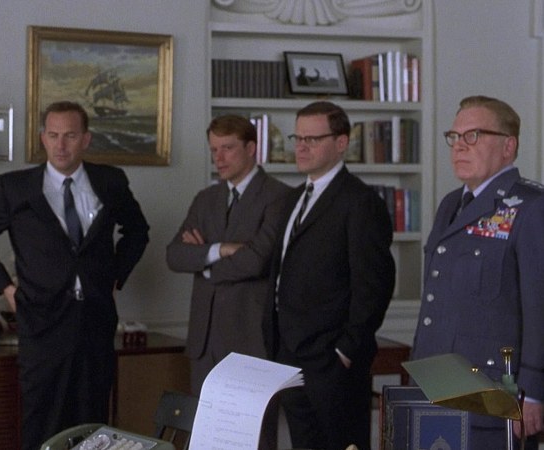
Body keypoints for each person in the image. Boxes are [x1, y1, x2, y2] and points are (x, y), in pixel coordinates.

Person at [0, 100, 150, 450]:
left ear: (86, 139)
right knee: (42, 418)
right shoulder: (15, 187)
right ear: (43, 138)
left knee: (93, 421)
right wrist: (6, 290)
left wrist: (115, 277)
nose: (61, 145)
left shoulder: (110, 181)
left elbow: (138, 231)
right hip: (41, 321)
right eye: (53, 135)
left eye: (70, 136)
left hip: (95, 320)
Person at [411, 95, 544, 449]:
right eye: (454, 137)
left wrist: (534, 391)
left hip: (492, 393)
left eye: (473, 136)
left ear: (508, 146)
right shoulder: (451, 204)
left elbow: (539, 307)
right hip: (435, 383)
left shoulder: (531, 207)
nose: (459, 146)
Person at [264, 101, 395, 450]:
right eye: (297, 138)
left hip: (333, 362)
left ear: (341, 143)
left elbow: (374, 284)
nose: (301, 147)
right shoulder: (293, 198)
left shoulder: (360, 201)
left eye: (312, 139)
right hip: (288, 354)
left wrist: (346, 350)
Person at [166, 114, 290, 394]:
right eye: (214, 150)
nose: (218, 158)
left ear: (251, 148)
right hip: (204, 343)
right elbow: (174, 255)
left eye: (227, 148)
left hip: (250, 340)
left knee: (254, 423)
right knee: (205, 422)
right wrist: (220, 249)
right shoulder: (205, 199)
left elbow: (256, 261)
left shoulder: (279, 196)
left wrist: (203, 263)